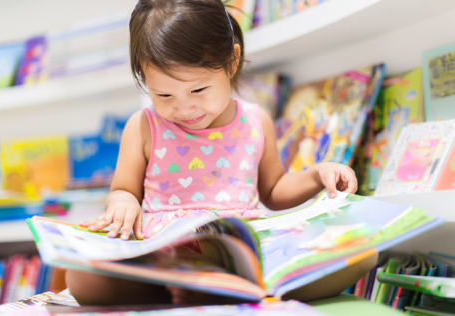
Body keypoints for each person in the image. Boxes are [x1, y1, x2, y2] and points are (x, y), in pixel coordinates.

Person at [66, 0, 377, 306]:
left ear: (232, 61)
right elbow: (123, 190)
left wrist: (316, 175)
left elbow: (273, 191)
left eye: (198, 90)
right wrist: (122, 204)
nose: (184, 108)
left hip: (241, 252)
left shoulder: (256, 121)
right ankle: (198, 289)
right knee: (81, 279)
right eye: (163, 95)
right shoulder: (144, 126)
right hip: (168, 255)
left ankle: (216, 288)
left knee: (362, 253)